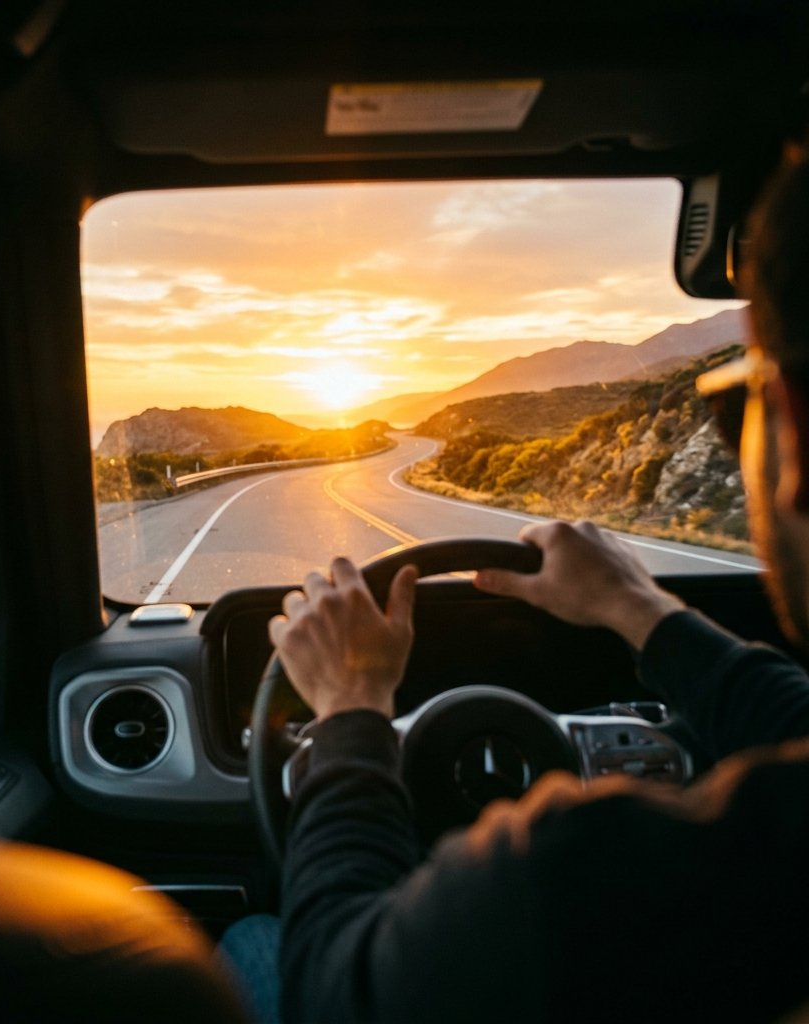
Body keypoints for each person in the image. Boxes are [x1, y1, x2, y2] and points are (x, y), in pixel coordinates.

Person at [260, 148, 809, 1023]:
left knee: (250, 945)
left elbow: (333, 988)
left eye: (732, 404)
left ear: (793, 429)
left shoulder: (565, 880)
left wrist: (354, 708)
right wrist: (636, 606)